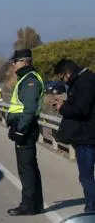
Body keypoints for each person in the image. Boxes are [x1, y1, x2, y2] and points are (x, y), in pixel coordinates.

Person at [52, 58, 95, 212]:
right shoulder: (87, 79)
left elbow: (81, 110)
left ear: (68, 73)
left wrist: (62, 107)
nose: (63, 80)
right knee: (87, 176)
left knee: (86, 176)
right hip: (87, 136)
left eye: (62, 77)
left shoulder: (84, 82)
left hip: (87, 138)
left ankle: (91, 209)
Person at [6, 49, 44, 216]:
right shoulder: (26, 79)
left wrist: (20, 129)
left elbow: (29, 109)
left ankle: (28, 205)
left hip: (25, 128)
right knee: (30, 167)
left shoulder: (30, 81)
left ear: (24, 62)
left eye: (15, 61)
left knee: (26, 169)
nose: (13, 64)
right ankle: (36, 204)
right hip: (25, 126)